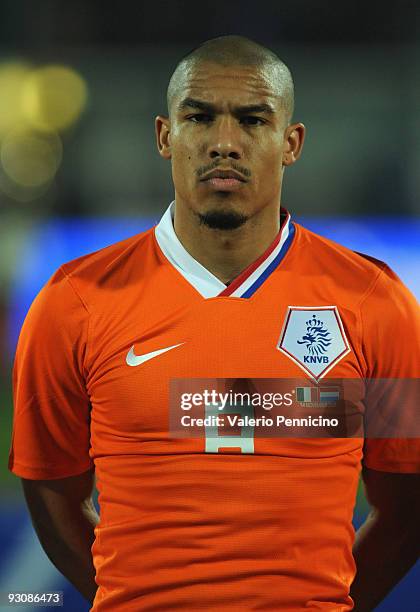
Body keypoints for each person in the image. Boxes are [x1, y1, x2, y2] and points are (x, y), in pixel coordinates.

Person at [9, 35, 419, 611]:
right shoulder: (73, 302)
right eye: (199, 117)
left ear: (290, 143)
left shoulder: (378, 304)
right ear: (165, 136)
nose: (224, 143)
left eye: (253, 120)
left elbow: (407, 500)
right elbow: (50, 488)